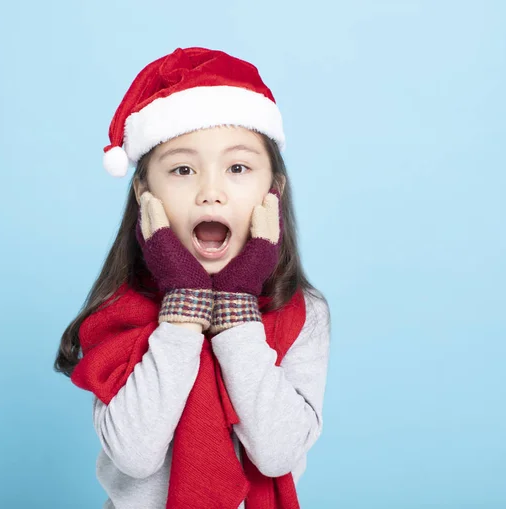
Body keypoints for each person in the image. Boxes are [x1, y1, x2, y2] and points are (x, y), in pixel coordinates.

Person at [54, 46, 331, 509]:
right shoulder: (116, 313)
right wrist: (183, 306)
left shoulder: (303, 314)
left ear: (272, 194)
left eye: (238, 168)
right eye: (182, 170)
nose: (211, 193)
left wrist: (236, 308)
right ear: (145, 195)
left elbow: (277, 452)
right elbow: (135, 455)